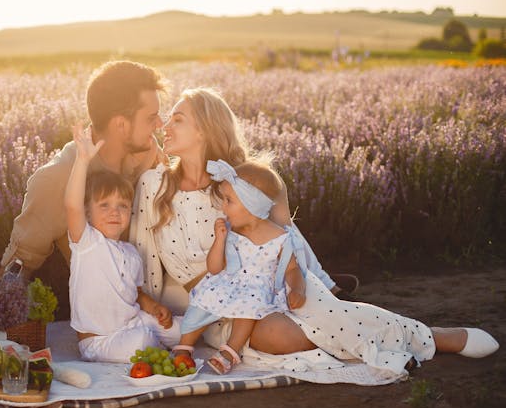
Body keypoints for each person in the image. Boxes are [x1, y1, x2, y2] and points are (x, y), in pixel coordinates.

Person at [130, 87, 499, 364]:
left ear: (205, 130)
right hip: (206, 306)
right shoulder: (154, 184)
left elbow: (286, 236)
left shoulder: (236, 184)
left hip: (268, 289)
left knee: (322, 313)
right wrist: (144, 301)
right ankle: (379, 340)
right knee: (281, 337)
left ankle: (429, 337)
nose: (165, 124)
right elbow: (141, 252)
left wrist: (316, 282)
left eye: (178, 118)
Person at [0, 60, 167, 286]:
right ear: (121, 125)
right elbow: (19, 263)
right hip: (104, 308)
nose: (160, 124)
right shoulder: (57, 177)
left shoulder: (147, 150)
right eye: (150, 118)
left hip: (163, 294)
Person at [176, 158, 308, 374]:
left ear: (251, 204)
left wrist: (297, 288)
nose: (223, 206)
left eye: (229, 200)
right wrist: (219, 240)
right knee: (203, 298)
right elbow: (215, 268)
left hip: (256, 289)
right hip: (228, 281)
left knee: (250, 303)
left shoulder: (281, 238)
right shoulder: (231, 232)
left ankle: (230, 351)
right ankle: (184, 344)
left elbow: (292, 269)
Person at [64, 125, 181, 362]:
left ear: (130, 212)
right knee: (142, 342)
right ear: (88, 213)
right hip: (100, 339)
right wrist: (83, 160)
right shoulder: (87, 242)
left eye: (122, 206)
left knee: (181, 330)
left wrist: (155, 308)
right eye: (104, 205)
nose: (114, 212)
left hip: (133, 321)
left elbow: (136, 294)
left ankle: (159, 341)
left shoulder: (131, 252)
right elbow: (72, 206)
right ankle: (154, 345)